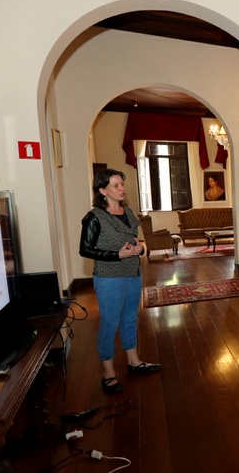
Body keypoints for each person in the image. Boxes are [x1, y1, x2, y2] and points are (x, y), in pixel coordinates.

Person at [79, 169, 160, 394]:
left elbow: (138, 240)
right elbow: (85, 249)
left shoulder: (129, 211)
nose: (121, 188)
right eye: (115, 185)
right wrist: (117, 255)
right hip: (109, 278)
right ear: (102, 190)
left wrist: (140, 248)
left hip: (133, 273)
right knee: (110, 323)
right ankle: (109, 373)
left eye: (122, 184)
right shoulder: (94, 216)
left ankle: (134, 361)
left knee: (130, 319)